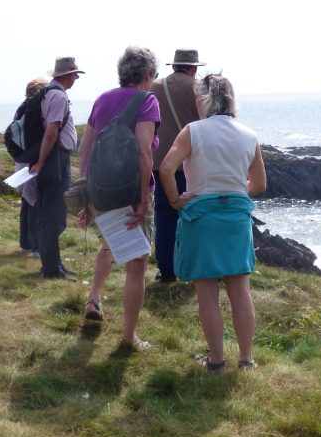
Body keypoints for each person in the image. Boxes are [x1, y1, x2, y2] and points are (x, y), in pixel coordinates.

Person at [158, 74, 267, 371]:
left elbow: (166, 169)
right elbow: (258, 183)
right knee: (239, 289)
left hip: (201, 215)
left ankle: (216, 360)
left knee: (207, 292)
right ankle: (247, 359)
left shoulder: (193, 131)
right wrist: (233, 189)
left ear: (202, 100)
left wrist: (176, 201)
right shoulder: (248, 134)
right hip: (236, 215)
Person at [76, 46, 161, 350]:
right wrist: (142, 199)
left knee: (108, 243)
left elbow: (84, 149)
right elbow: (143, 151)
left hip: (100, 190)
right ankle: (129, 337)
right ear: (148, 74)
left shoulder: (102, 99)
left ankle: (94, 298)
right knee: (136, 263)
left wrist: (86, 195)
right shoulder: (147, 101)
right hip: (130, 191)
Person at [151, 49, 205, 283]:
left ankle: (166, 270)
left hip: (159, 160)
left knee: (164, 215)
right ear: (193, 68)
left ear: (174, 65)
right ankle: (192, 267)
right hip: (190, 161)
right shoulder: (199, 88)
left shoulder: (154, 86)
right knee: (194, 214)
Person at [30, 57, 80, 279]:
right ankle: (51, 269)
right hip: (55, 159)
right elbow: (51, 133)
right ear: (68, 75)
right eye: (75, 74)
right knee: (55, 214)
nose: (76, 78)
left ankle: (54, 264)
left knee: (49, 212)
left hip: (52, 158)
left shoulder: (47, 93)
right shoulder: (58, 96)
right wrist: (41, 162)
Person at [18, 77, 48, 254]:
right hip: (34, 159)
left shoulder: (21, 108)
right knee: (37, 201)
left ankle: (26, 243)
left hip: (22, 159)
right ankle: (37, 246)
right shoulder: (37, 109)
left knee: (26, 201)